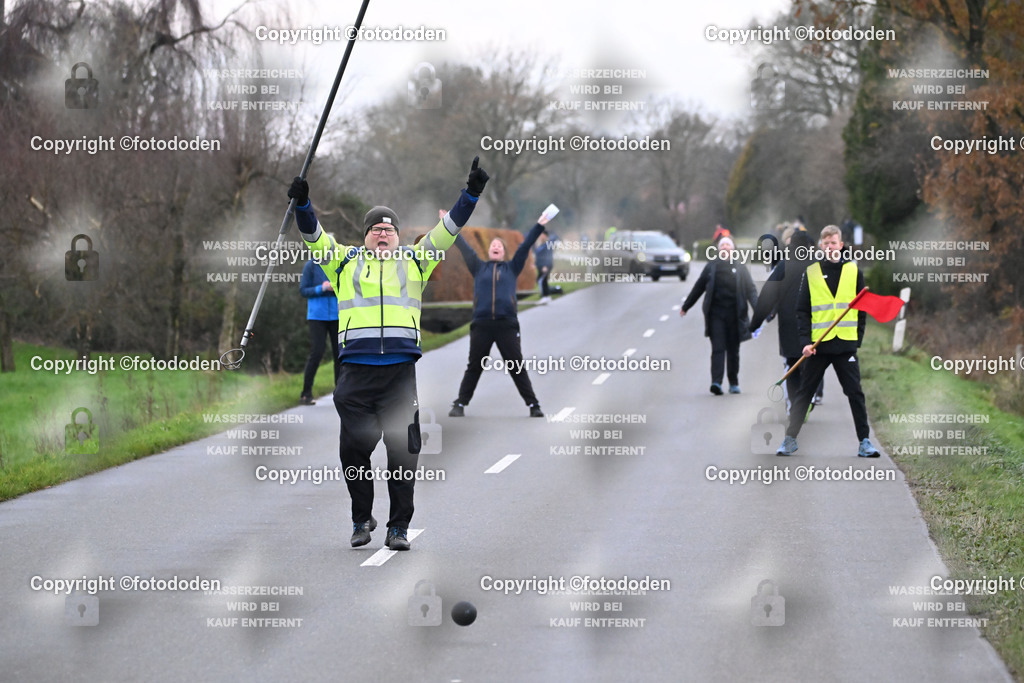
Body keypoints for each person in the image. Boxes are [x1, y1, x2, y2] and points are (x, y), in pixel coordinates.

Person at [287, 156, 490, 550]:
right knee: (354, 456)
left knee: (403, 455)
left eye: (389, 230)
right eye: (376, 230)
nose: (383, 235)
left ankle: (398, 528)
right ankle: (361, 520)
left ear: (398, 237)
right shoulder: (345, 263)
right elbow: (314, 237)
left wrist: (471, 194)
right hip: (356, 377)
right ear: (365, 236)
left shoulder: (415, 261)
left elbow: (447, 231)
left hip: (399, 375)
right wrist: (302, 205)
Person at [776, 225, 880, 457]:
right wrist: (805, 342)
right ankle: (790, 440)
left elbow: (861, 310)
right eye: (826, 243)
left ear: (840, 245)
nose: (830, 247)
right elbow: (801, 310)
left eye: (834, 243)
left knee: (855, 393)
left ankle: (864, 442)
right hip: (818, 346)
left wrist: (857, 340)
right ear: (821, 246)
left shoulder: (854, 271)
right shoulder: (811, 272)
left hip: (845, 346)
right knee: (804, 393)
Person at [448, 212, 553, 418]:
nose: (495, 247)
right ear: (489, 251)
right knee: (474, 365)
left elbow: (526, 245)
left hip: (507, 325)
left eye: (499, 246)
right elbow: (462, 246)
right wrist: (449, 223)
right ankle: (460, 403)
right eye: (492, 245)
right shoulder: (478, 267)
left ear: (504, 252)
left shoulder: (512, 268)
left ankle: (533, 405)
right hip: (482, 325)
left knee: (516, 366)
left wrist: (539, 225)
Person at [748, 230, 816, 415]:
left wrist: (754, 324)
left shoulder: (784, 266)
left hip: (789, 326)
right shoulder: (817, 265)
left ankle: (796, 406)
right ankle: (807, 401)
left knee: (793, 365)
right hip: (814, 325)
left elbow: (766, 298)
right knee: (811, 366)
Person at [680, 236, 758, 395]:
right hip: (716, 315)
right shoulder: (711, 267)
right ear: (718, 249)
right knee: (718, 348)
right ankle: (716, 382)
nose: (725, 247)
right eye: (722, 245)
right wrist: (686, 306)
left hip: (736, 315)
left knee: (733, 350)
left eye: (728, 245)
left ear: (733, 249)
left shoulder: (741, 268)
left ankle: (733, 382)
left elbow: (751, 290)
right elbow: (699, 287)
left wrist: (760, 310)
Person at [298, 257, 341, 405]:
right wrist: (321, 288)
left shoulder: (338, 264)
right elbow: (303, 290)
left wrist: (337, 287)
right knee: (317, 353)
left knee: (340, 354)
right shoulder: (310, 266)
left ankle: (341, 394)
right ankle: (306, 393)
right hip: (317, 316)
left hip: (338, 315)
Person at [533, 231, 559, 302]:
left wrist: (545, 266)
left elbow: (548, 256)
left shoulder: (548, 244)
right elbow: (539, 256)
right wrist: (535, 264)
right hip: (541, 266)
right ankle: (546, 296)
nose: (540, 237)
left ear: (545, 236)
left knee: (541, 280)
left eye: (541, 235)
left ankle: (544, 296)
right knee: (542, 280)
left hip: (546, 265)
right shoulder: (542, 245)